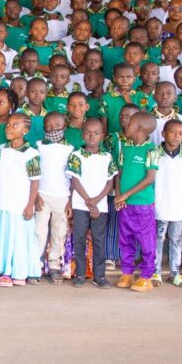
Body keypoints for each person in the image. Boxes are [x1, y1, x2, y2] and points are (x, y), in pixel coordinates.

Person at [0, 113, 43, 287]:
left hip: (21, 204)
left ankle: (20, 271)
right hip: (4, 203)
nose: (9, 127)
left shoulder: (31, 154)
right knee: (6, 237)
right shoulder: (1, 149)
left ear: (25, 130)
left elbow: (35, 182)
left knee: (20, 238)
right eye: (8, 124)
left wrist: (30, 204)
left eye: (15, 125)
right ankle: (6, 271)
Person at [66, 118, 116, 288]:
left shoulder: (107, 157)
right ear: (82, 135)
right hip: (80, 205)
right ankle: (80, 273)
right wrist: (90, 202)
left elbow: (110, 182)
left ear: (102, 135)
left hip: (100, 206)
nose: (92, 136)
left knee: (99, 240)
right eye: (88, 133)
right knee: (79, 238)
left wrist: (96, 202)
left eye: (96, 133)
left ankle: (99, 275)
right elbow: (75, 181)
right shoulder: (76, 155)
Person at [114, 112, 159, 292]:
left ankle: (147, 275)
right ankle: (127, 272)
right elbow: (119, 173)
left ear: (139, 128)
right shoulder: (125, 147)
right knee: (125, 238)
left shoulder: (151, 150)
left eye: (130, 122)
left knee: (146, 240)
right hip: (125, 204)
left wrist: (127, 195)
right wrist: (119, 195)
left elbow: (150, 178)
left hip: (142, 203)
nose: (126, 124)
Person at [152, 119, 182, 287]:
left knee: (176, 239)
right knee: (157, 238)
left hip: (180, 207)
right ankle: (156, 272)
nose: (176, 136)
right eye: (172, 132)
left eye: (181, 133)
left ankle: (175, 272)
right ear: (163, 134)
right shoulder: (154, 153)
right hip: (159, 205)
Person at [35, 112, 74, 284]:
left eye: (57, 126)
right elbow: (33, 173)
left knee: (59, 232)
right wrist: (35, 194)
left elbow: (73, 177)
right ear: (44, 127)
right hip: (42, 195)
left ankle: (54, 265)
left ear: (64, 127)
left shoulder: (70, 149)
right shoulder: (38, 146)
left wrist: (71, 200)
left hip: (62, 196)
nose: (53, 130)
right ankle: (35, 264)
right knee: (39, 232)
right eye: (49, 126)